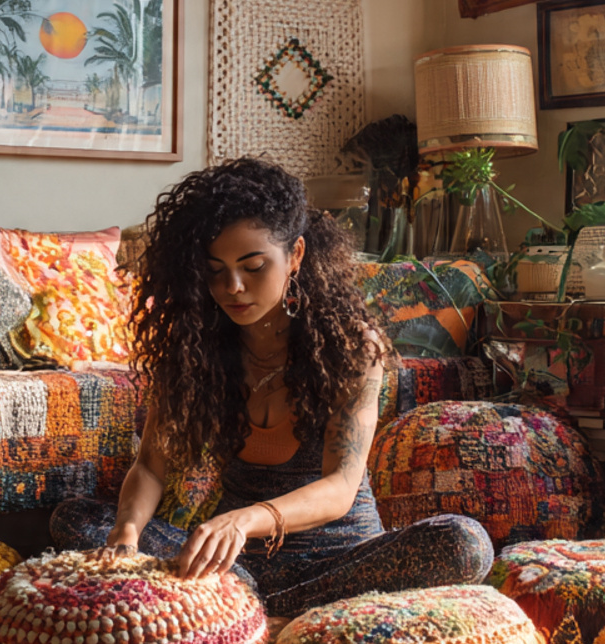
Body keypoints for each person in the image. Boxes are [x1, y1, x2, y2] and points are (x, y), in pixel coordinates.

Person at [50, 158, 493, 617]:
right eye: (215, 270)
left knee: (464, 543)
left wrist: (243, 520)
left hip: (340, 565)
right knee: (78, 519)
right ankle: (251, 605)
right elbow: (150, 467)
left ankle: (242, 610)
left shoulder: (352, 347)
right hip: (233, 568)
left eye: (254, 266)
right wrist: (126, 536)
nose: (232, 287)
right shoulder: (192, 349)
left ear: (295, 255)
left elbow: (340, 487)